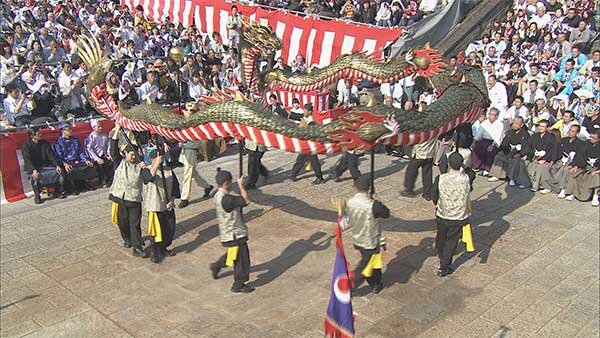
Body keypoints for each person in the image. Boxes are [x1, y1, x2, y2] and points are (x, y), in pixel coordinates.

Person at [339, 175, 390, 294]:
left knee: (374, 261)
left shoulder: (350, 202)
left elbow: (347, 218)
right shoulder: (374, 205)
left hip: (358, 238)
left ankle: (377, 283)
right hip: (370, 241)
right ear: (369, 188)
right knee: (364, 267)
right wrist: (376, 200)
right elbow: (386, 214)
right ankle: (349, 286)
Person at [209, 170, 254, 293]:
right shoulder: (227, 199)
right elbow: (246, 201)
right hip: (235, 233)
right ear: (226, 183)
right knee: (242, 260)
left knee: (234, 255)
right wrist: (241, 186)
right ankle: (238, 284)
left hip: (227, 232)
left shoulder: (218, 195)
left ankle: (217, 265)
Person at [431, 152, 475, 277]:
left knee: (441, 236)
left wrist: (438, 203)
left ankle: (441, 255)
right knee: (451, 241)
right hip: (459, 216)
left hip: (442, 214)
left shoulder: (441, 178)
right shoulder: (467, 178)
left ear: (449, 164)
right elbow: (472, 173)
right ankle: (444, 266)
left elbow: (434, 195)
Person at [109, 144, 148, 257]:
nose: (133, 157)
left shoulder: (140, 165)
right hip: (120, 198)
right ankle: (127, 238)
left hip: (134, 199)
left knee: (134, 224)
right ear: (125, 154)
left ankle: (137, 248)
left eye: (135, 155)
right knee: (122, 222)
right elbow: (113, 150)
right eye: (131, 154)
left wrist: (145, 168)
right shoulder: (119, 163)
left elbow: (148, 179)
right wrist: (116, 130)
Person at [142, 149, 180, 263]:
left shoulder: (168, 171)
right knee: (156, 231)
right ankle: (155, 251)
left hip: (167, 205)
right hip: (154, 205)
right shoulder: (146, 170)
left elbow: (175, 187)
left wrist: (172, 200)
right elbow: (149, 178)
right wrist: (156, 164)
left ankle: (164, 248)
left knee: (169, 229)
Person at [22, 127, 66, 203]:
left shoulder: (45, 143)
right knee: (35, 176)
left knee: (58, 171)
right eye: (38, 134)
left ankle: (56, 190)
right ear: (32, 136)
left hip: (45, 165)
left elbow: (51, 155)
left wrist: (56, 165)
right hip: (34, 167)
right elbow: (27, 159)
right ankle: (37, 195)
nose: (40, 135)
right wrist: (34, 170)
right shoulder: (26, 145)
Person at [54, 123, 96, 194]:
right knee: (70, 169)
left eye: (71, 129)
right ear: (63, 131)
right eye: (68, 130)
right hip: (67, 162)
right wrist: (64, 163)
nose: (70, 131)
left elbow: (80, 151)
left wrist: (85, 159)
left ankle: (83, 184)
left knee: (88, 165)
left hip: (77, 160)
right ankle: (72, 187)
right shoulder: (59, 142)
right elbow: (58, 156)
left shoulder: (75, 140)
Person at [489, 116, 530, 187]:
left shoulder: (525, 134)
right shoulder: (510, 132)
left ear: (522, 125)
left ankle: (512, 179)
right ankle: (497, 175)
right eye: (514, 123)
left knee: (515, 159)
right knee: (499, 155)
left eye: (517, 124)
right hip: (509, 150)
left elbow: (525, 147)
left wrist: (520, 153)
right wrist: (504, 148)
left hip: (518, 153)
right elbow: (504, 142)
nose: (515, 125)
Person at [289, 104, 325, 184]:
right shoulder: (305, 117)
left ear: (310, 112)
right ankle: (293, 175)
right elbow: (295, 116)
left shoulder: (311, 122)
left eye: (305, 110)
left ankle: (320, 178)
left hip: (310, 146)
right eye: (304, 110)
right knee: (300, 160)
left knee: (314, 161)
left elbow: (311, 134)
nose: (304, 112)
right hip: (306, 145)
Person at [563, 129, 600, 206]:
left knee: (596, 176)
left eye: (594, 138)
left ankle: (596, 195)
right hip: (586, 166)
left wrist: (597, 171)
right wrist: (576, 165)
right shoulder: (586, 143)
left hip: (597, 169)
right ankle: (571, 192)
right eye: (590, 137)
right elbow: (580, 155)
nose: (591, 139)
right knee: (574, 172)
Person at [178, 141, 214, 208]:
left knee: (187, 177)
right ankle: (207, 186)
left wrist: (183, 145)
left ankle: (184, 198)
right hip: (186, 155)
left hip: (191, 156)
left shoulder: (194, 133)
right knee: (194, 174)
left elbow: (197, 144)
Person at [524, 119, 557, 193]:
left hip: (546, 159)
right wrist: (533, 156)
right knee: (526, 164)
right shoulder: (534, 136)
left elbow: (552, 150)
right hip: (534, 156)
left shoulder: (551, 137)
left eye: (543, 126)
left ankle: (536, 186)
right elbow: (529, 146)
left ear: (547, 128)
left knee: (539, 167)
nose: (540, 128)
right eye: (539, 126)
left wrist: (546, 159)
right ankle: (527, 182)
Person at [553, 125, 585, 197]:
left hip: (573, 162)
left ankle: (563, 188)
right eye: (570, 130)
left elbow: (580, 156)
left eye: (573, 131)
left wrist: (573, 164)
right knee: (554, 167)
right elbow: (557, 151)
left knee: (566, 169)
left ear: (577, 133)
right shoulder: (563, 140)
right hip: (562, 159)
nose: (570, 132)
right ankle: (553, 186)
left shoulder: (581, 143)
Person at [471, 108, 504, 176]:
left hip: (493, 142)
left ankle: (487, 169)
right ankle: (476, 166)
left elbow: (498, 137)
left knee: (490, 150)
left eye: (492, 115)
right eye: (490, 114)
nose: (490, 116)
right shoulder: (485, 123)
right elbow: (479, 134)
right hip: (483, 140)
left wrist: (493, 145)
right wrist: (474, 141)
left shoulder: (500, 124)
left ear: (496, 116)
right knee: (477, 147)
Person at [85, 119, 113, 188]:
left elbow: (108, 144)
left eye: (101, 126)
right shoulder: (91, 137)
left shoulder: (104, 135)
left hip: (103, 154)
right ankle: (102, 180)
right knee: (100, 164)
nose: (100, 128)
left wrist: (109, 153)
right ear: (93, 127)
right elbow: (89, 149)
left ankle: (110, 178)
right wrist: (96, 158)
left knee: (110, 161)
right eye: (98, 127)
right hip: (94, 156)